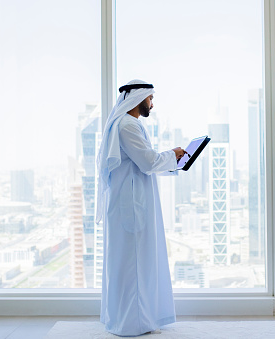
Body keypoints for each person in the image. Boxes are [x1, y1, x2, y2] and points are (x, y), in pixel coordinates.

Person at [95, 79, 185, 336]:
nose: (152, 104)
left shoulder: (129, 124)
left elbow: (145, 162)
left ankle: (136, 320)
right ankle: (132, 324)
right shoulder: (127, 125)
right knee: (134, 266)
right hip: (130, 208)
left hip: (131, 203)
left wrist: (171, 159)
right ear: (138, 98)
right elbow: (148, 161)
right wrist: (174, 154)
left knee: (133, 264)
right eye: (150, 99)